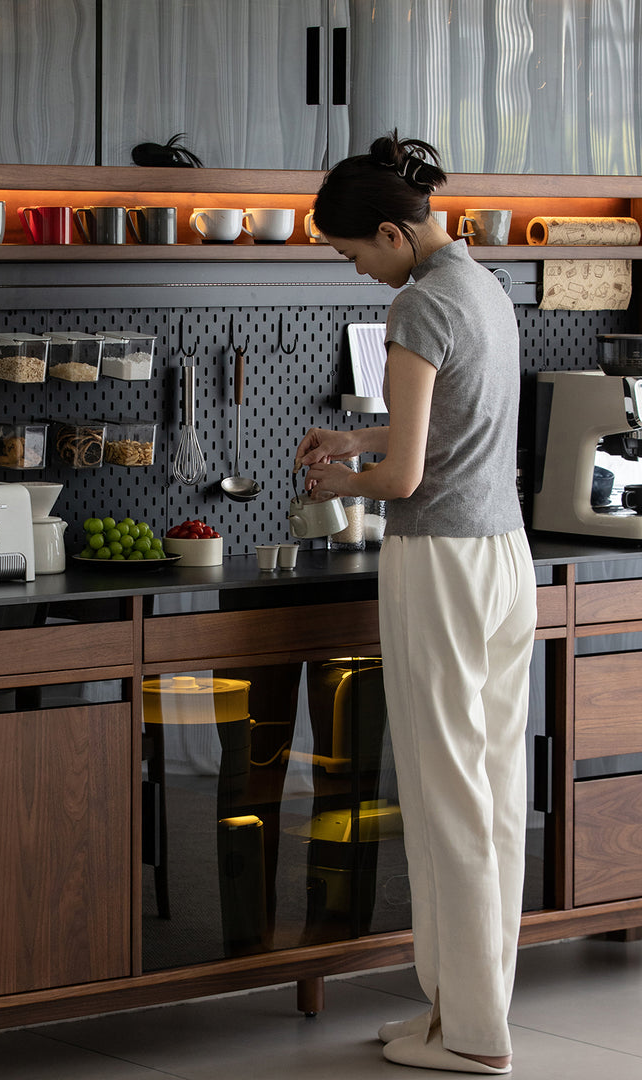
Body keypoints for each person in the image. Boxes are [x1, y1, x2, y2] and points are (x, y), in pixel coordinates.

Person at [294, 132, 536, 1076]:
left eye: (357, 255)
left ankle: (471, 1036)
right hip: (504, 558)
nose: (359, 274)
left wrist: (342, 480)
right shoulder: (483, 287)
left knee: (444, 800)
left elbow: (406, 476)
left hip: (438, 563)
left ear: (393, 234)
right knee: (492, 794)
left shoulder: (415, 310)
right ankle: (466, 1016)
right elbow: (448, 429)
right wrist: (358, 438)